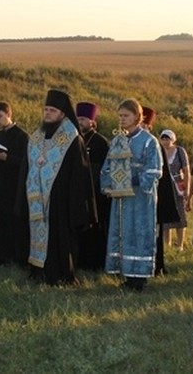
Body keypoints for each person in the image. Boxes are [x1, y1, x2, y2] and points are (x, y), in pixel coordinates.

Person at [23, 89, 97, 285]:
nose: (47, 113)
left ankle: (60, 275)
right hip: (37, 198)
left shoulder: (72, 139)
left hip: (61, 201)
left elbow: (79, 175)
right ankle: (38, 271)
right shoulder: (37, 136)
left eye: (52, 110)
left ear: (63, 113)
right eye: (46, 109)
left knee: (60, 239)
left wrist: (74, 203)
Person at [100, 98, 162, 291]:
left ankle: (139, 278)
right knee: (122, 232)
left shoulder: (149, 141)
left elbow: (155, 170)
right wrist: (110, 183)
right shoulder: (118, 140)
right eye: (120, 116)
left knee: (139, 233)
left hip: (141, 198)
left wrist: (133, 180)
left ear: (137, 116)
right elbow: (107, 167)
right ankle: (126, 274)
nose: (122, 119)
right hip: (121, 198)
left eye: (126, 115)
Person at [0, 101, 30, 266]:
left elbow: (26, 163)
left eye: (0, 116)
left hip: (16, 185)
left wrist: (7, 158)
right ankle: (1, 257)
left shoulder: (22, 136)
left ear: (8, 114)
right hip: (1, 183)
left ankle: (17, 256)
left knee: (15, 220)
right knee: (1, 219)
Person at [142, 107, 180, 276]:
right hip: (138, 196)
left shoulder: (152, 144)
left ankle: (156, 266)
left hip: (153, 195)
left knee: (155, 234)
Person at [75, 101, 111, 271]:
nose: (80, 121)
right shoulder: (75, 139)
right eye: (78, 118)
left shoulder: (100, 142)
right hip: (78, 192)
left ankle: (95, 263)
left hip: (96, 193)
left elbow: (103, 170)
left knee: (95, 228)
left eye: (83, 118)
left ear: (92, 121)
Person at [160, 130, 190, 251]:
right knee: (165, 214)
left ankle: (180, 244)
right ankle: (167, 244)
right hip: (164, 186)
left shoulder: (179, 151)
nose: (165, 142)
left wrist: (187, 188)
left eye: (168, 139)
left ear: (173, 139)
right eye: (163, 139)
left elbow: (186, 170)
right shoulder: (160, 151)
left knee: (180, 213)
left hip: (177, 185)